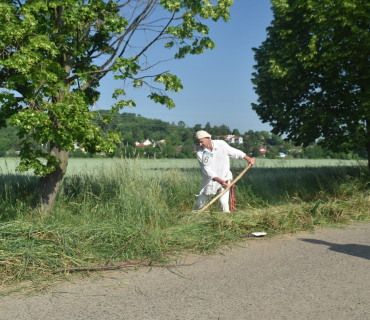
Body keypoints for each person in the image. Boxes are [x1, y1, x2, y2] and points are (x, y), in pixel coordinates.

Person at [193, 130, 255, 212]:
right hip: (210, 182)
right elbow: (207, 171)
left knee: (223, 203)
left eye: (201, 142)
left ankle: (227, 222)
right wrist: (221, 182)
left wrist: (248, 159)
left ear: (208, 138)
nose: (200, 145)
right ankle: (192, 218)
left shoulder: (221, 144)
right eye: (198, 143)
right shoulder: (200, 153)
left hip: (225, 178)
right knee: (199, 205)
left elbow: (235, 152)